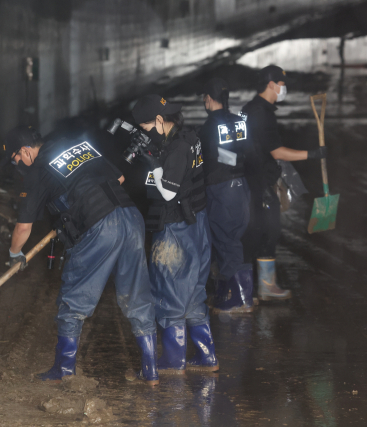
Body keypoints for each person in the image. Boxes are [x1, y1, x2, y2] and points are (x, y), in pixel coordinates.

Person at [2, 125, 159, 386]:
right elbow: (118, 179)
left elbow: (23, 227)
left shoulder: (37, 171)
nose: (18, 164)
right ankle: (151, 370)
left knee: (73, 299)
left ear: (25, 151)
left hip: (100, 226)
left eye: (16, 159)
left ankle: (64, 369)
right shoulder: (74, 143)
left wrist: (14, 254)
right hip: (131, 217)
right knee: (137, 296)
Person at [131, 95, 218, 374]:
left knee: (169, 291)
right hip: (197, 224)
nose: (144, 133)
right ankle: (206, 357)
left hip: (176, 228)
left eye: (145, 128)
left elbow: (168, 192)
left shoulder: (178, 147)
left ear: (159, 120)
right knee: (193, 292)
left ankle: (172, 361)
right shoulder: (189, 137)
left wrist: (152, 163)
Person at [241, 65, 327, 300]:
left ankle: (253, 288)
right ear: (271, 84)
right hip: (260, 182)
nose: (284, 88)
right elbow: (277, 152)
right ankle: (261, 288)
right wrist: (312, 154)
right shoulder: (262, 113)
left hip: (250, 178)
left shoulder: (250, 108)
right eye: (281, 84)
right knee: (266, 231)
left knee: (260, 231)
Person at [198, 78, 255, 313]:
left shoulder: (208, 127)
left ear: (209, 99)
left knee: (225, 239)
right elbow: (249, 151)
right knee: (232, 237)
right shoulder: (240, 122)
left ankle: (238, 299)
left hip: (221, 187)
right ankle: (233, 293)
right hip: (241, 185)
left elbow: (208, 159)